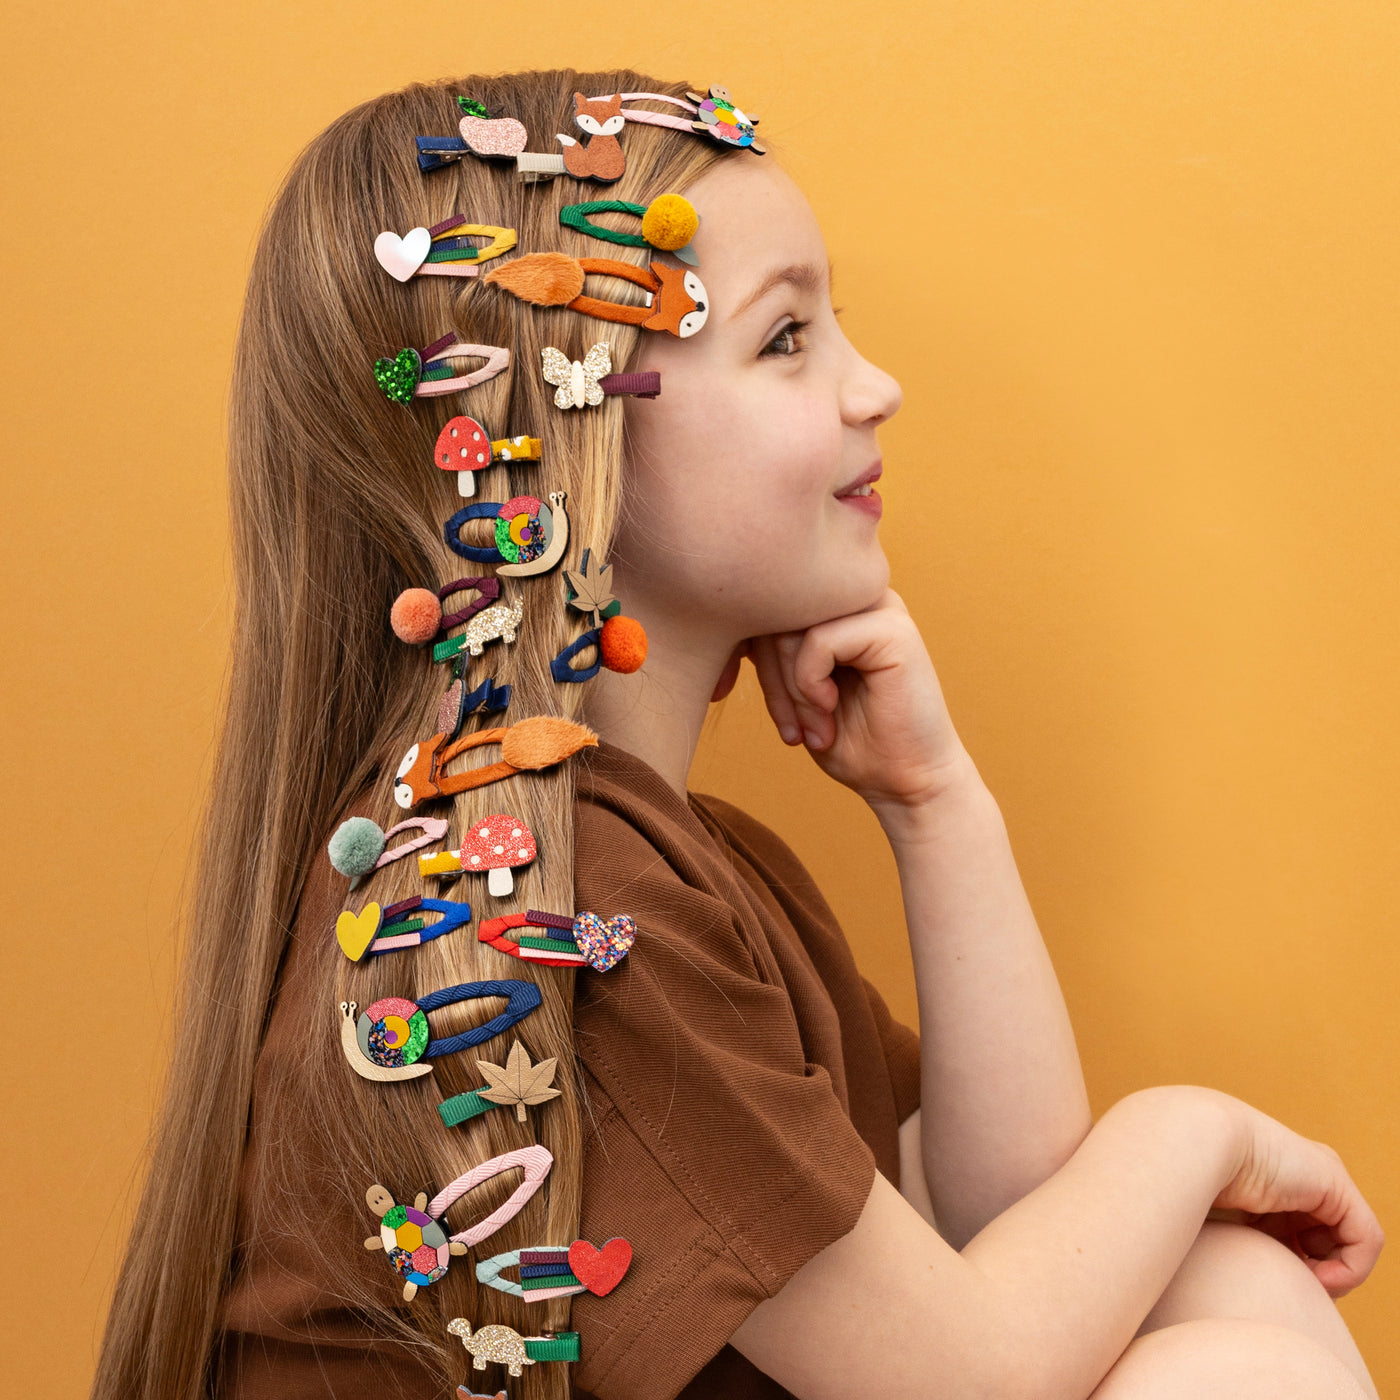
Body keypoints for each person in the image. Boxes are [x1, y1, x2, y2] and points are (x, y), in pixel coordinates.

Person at [91, 67, 1383, 1400]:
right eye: (785, 340)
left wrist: (935, 807)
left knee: (1223, 1281)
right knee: (1228, 1373)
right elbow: (979, 1375)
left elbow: (1011, 1224)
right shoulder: (538, 911)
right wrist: (1197, 1129)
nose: (873, 387)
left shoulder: (680, 866)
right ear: (568, 441)